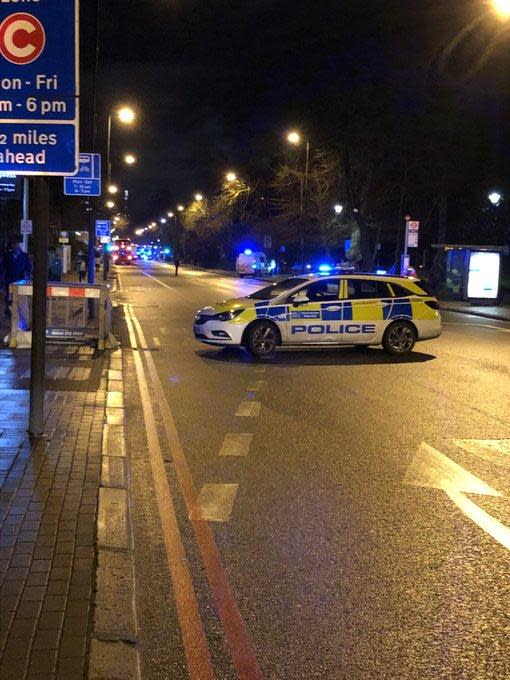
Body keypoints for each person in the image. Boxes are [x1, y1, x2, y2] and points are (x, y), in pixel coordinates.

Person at [2, 237, 32, 318]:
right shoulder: (7, 255)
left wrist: (27, 277)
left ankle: (17, 312)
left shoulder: (24, 256)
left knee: (20, 297)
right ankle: (9, 310)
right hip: (9, 280)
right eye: (14, 245)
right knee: (8, 296)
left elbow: (28, 268)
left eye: (17, 245)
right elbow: (3, 268)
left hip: (20, 280)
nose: (15, 247)